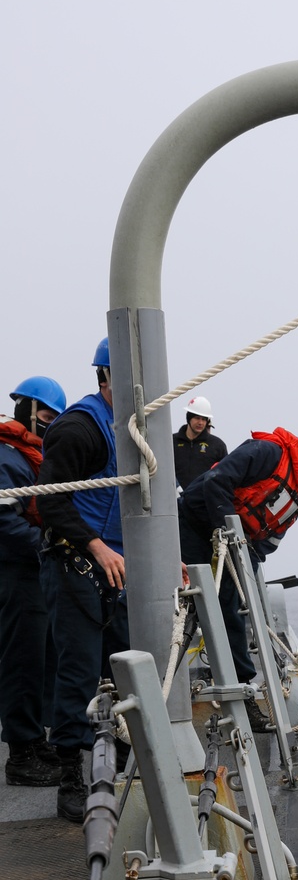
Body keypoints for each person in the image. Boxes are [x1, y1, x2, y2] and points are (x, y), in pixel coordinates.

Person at [37, 337, 130, 823]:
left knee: (129, 660)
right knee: (77, 671)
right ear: (107, 376)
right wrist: (95, 546)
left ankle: (129, 754)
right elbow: (49, 501)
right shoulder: (78, 429)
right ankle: (71, 776)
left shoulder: (131, 428)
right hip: (75, 563)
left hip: (115, 569)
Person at [178, 423, 298, 685]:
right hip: (193, 525)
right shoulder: (268, 453)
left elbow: (272, 538)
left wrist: (250, 558)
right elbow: (217, 480)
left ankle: (240, 680)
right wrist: (228, 532)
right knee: (187, 598)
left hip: (234, 543)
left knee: (234, 603)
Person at [0, 376, 66, 786]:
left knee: (44, 657)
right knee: (21, 661)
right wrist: (46, 544)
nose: (49, 421)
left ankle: (36, 739)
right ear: (25, 409)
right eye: (44, 413)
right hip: (15, 571)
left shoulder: (28, 456)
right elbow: (4, 520)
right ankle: (21, 755)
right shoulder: (7, 458)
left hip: (34, 571)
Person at [172, 395, 228, 491]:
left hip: (204, 502)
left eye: (204, 419)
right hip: (174, 500)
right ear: (189, 418)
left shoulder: (217, 445)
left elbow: (225, 475)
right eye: (197, 418)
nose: (200, 423)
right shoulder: (171, 442)